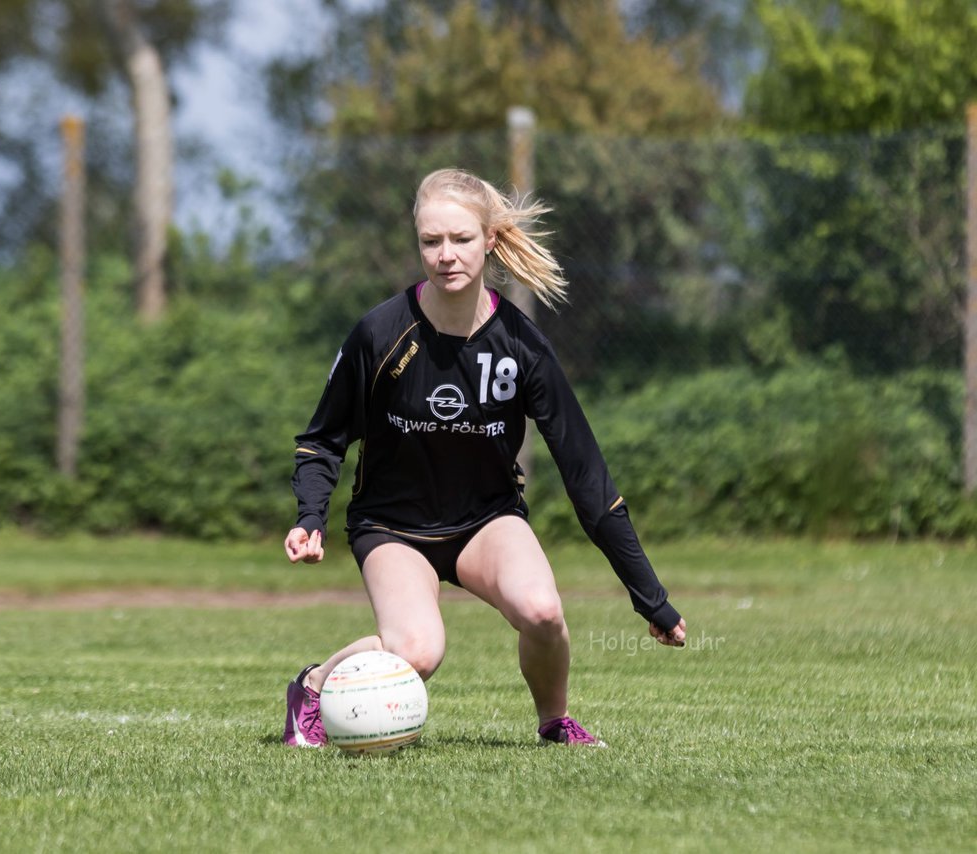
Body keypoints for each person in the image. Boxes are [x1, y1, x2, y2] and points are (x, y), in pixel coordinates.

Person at [282, 167, 687, 749]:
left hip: (486, 521)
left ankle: (555, 723)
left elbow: (587, 478)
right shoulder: (380, 333)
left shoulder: (522, 346)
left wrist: (651, 597)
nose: (445, 255)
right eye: (431, 241)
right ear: (418, 242)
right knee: (417, 651)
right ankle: (314, 686)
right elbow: (322, 439)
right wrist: (310, 517)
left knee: (544, 612)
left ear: (490, 239)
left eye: (461, 239)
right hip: (393, 527)